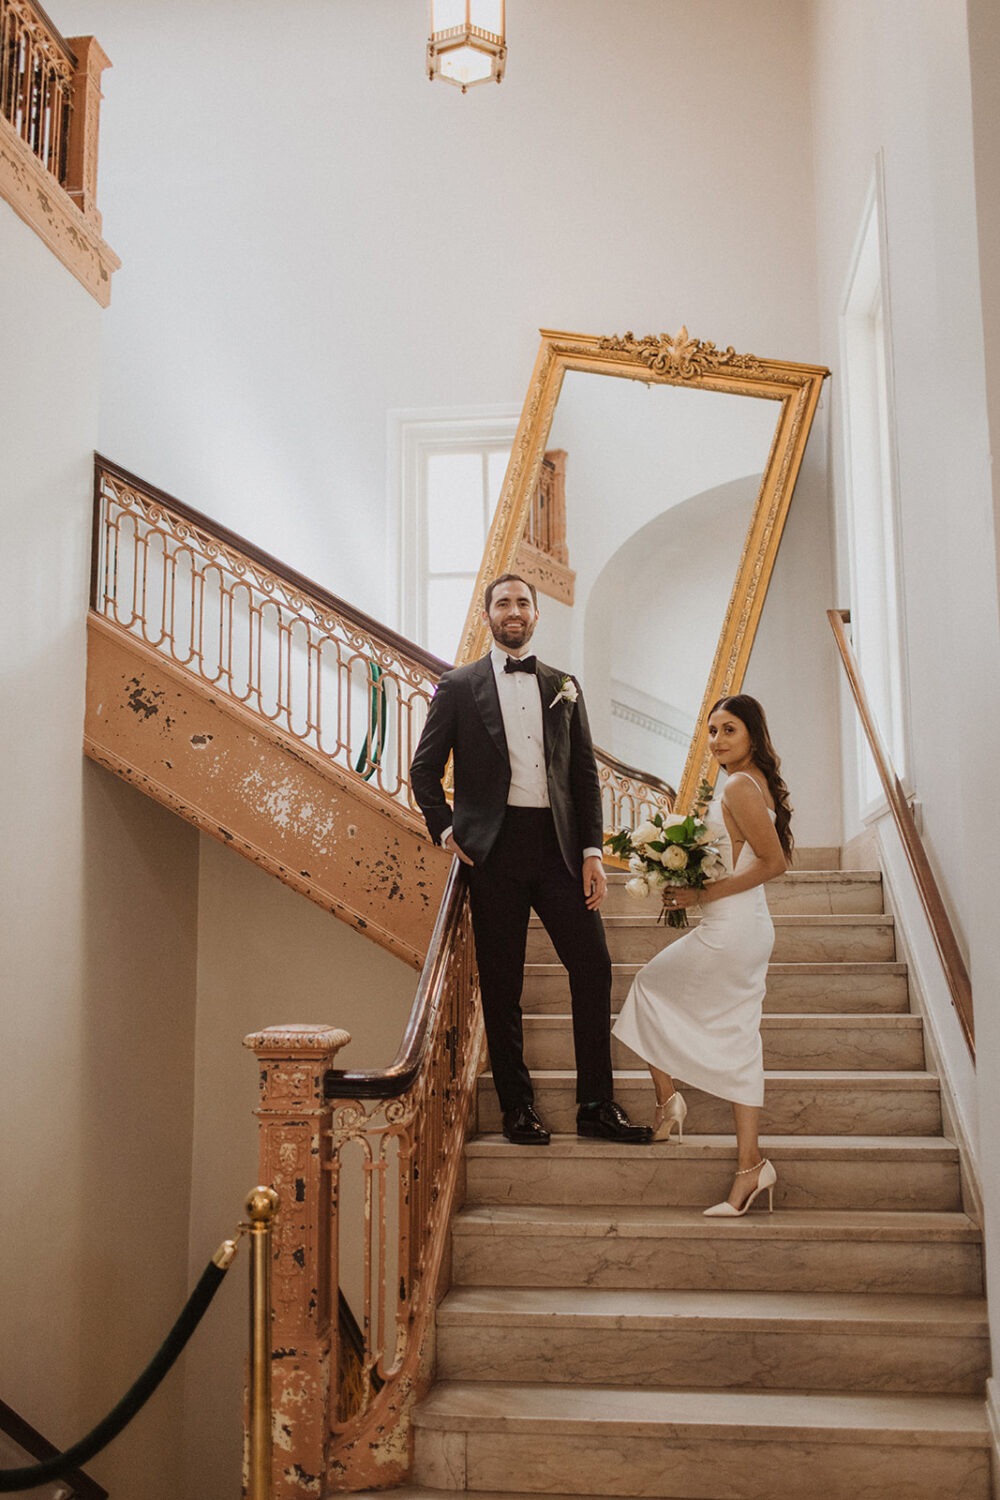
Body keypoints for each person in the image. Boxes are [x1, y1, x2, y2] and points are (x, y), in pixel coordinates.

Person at [410, 573, 652, 1147]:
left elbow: (584, 778)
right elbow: (424, 770)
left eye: (522, 602)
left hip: (560, 848)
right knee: (501, 981)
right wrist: (446, 830)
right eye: (503, 602)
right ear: (488, 613)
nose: (513, 611)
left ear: (536, 615)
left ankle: (596, 1105)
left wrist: (593, 850)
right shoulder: (458, 685)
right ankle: (518, 1109)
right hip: (492, 852)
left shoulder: (563, 685)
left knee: (592, 967)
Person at [613, 694, 793, 1213]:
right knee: (736, 1037)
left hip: (733, 928)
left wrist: (700, 895)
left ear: (752, 736)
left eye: (729, 730)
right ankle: (749, 1165)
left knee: (648, 988)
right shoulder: (745, 782)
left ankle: (672, 1104)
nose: (717, 740)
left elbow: (773, 863)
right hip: (739, 925)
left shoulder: (738, 784)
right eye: (712, 730)